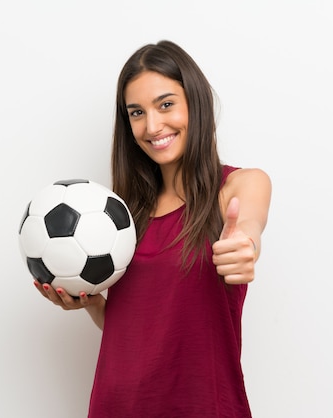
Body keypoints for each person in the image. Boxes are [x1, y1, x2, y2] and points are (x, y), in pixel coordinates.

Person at [33, 40, 272, 418]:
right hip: (118, 405)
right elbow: (135, 328)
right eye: (136, 112)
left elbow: (248, 227)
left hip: (202, 406)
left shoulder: (240, 186)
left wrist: (245, 245)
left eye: (166, 104)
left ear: (195, 102)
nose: (152, 125)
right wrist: (94, 305)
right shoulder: (120, 218)